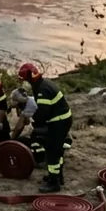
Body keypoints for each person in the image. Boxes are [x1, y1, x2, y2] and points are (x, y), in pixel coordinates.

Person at [18, 62, 73, 193]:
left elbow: (42, 114)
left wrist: (31, 119)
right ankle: (57, 177)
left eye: (24, 80)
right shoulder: (43, 84)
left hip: (58, 122)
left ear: (30, 78)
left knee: (52, 152)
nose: (24, 83)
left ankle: (54, 184)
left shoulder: (42, 90)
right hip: (62, 120)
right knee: (57, 150)